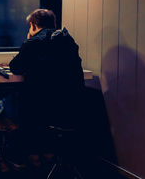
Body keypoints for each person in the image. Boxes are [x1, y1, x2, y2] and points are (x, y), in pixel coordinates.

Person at [8, 9, 85, 169]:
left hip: (43, 113)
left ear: (33, 25)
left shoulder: (34, 42)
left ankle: (16, 156)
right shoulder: (68, 41)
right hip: (72, 111)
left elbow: (15, 67)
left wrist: (29, 39)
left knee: (15, 103)